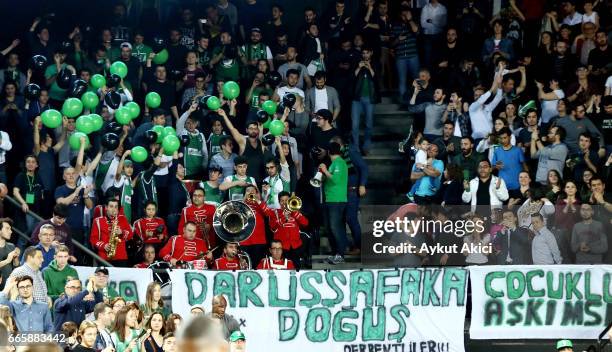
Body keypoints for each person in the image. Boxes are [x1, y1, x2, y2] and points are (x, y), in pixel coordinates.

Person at [321, 142, 348, 265]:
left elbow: (335, 179)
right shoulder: (334, 164)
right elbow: (329, 178)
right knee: (329, 227)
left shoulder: (340, 163)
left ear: (328, 152)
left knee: (335, 227)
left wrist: (325, 170)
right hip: (330, 199)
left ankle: (340, 254)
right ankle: (334, 253)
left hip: (337, 200)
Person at [351, 47, 379, 155]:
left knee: (369, 124)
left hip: (369, 98)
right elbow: (351, 78)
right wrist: (358, 68)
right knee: (354, 125)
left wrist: (370, 67)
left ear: (371, 53)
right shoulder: (357, 63)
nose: (365, 55)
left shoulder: (375, 64)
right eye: (363, 53)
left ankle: (366, 145)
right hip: (357, 98)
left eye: (367, 53)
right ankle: (356, 147)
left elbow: (376, 79)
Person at [90, 198, 133, 266]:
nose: (114, 209)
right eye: (111, 206)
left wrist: (122, 232)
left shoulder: (122, 218)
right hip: (104, 257)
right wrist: (104, 245)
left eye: (116, 207)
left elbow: (130, 235)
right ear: (106, 207)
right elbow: (93, 239)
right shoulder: (98, 221)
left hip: (121, 257)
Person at [491, 127, 527, 193]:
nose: (503, 140)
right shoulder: (497, 151)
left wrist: (527, 182)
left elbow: (524, 167)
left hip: (518, 186)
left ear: (510, 137)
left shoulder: (518, 150)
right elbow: (492, 168)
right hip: (503, 187)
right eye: (501, 138)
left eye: (505, 138)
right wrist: (496, 166)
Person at [0, 218, 19, 290]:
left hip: (9, 288)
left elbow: (16, 268)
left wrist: (16, 259)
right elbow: (8, 261)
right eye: (7, 228)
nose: (10, 231)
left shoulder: (11, 246)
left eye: (10, 229)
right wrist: (7, 260)